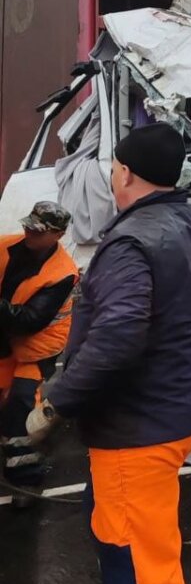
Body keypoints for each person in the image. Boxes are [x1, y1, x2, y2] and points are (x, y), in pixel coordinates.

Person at [45, 123, 191, 584]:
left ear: (123, 174)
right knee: (145, 552)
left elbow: (118, 335)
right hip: (173, 418)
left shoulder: (131, 243)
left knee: (142, 577)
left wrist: (55, 401)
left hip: (133, 432)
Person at [0, 201, 78, 502]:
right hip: (6, 337)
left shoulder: (62, 273)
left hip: (37, 345)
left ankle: (25, 478)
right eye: (28, 226)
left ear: (57, 235)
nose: (28, 233)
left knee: (20, 401)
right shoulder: (8, 247)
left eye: (37, 230)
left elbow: (30, 321)